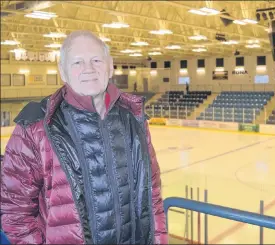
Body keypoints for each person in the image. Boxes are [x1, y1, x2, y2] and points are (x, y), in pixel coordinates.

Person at [0, 30, 167, 244]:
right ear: (63, 71)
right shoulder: (34, 128)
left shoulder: (135, 120)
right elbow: (16, 211)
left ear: (110, 66)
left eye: (96, 60)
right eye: (77, 62)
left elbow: (152, 196)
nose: (88, 69)